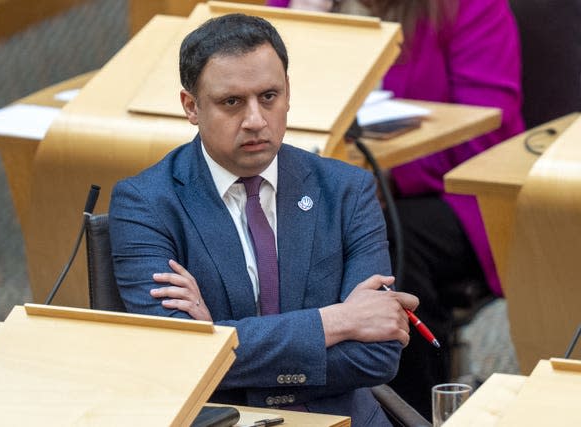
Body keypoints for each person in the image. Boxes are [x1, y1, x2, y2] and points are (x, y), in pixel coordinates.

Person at [109, 13, 419, 426]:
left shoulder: (347, 190)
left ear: (288, 94)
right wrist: (339, 321)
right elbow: (180, 361)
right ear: (191, 107)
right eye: (232, 102)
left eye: (269, 96)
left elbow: (375, 356)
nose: (255, 120)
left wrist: (220, 339)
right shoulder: (146, 203)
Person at [268, 0, 525, 419]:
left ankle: (415, 411)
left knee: (382, 247)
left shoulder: (471, 8)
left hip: (455, 199)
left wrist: (381, 181)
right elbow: (251, 90)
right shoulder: (290, 8)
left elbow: (484, 136)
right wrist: (306, 20)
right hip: (326, 189)